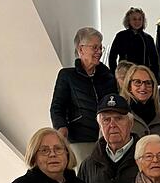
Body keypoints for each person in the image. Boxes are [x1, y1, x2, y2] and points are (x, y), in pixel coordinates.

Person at [50, 27, 117, 161]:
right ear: (81, 49)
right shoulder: (67, 76)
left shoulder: (108, 76)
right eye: (95, 47)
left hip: (107, 140)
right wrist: (61, 128)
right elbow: (57, 108)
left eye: (100, 48)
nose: (99, 52)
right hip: (80, 140)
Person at [78, 93, 140, 183]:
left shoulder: (145, 158)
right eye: (106, 120)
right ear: (100, 126)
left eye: (119, 118)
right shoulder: (88, 165)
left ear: (131, 123)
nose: (112, 125)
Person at [108, 7, 160, 80]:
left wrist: (153, 77)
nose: (137, 22)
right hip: (125, 75)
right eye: (134, 19)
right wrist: (115, 74)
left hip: (143, 76)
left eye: (139, 19)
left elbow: (154, 61)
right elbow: (112, 57)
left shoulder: (148, 39)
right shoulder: (121, 36)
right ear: (129, 20)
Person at [119, 65, 160, 136]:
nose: (143, 87)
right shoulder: (120, 112)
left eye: (148, 83)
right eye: (137, 82)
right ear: (129, 86)